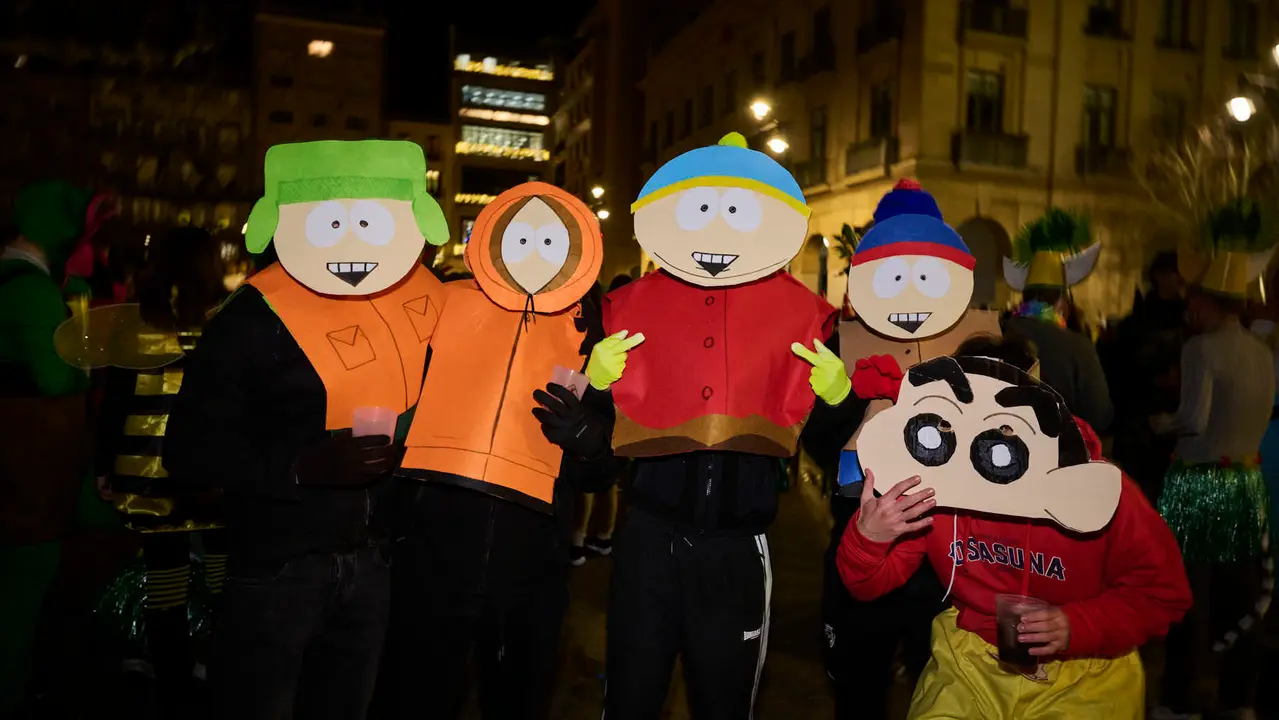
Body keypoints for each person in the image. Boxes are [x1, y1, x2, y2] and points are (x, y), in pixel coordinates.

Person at [164, 139, 450, 720]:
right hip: (278, 566)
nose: (352, 244)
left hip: (376, 562)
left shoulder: (415, 302)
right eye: (331, 222)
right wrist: (301, 465)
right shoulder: (253, 319)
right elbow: (189, 451)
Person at [590, 132, 866, 718]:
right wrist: (594, 387)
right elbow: (592, 451)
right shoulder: (634, 307)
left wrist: (840, 400)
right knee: (631, 698)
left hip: (738, 550)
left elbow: (826, 445)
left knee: (725, 702)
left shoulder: (798, 317)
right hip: (649, 542)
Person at [838, 344, 1191, 719]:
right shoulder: (937, 488)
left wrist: (1078, 624)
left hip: (1086, 669)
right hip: (971, 657)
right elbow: (866, 585)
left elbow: (1163, 595)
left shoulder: (1098, 494)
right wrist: (870, 538)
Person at [382, 182, 615, 718]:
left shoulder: (591, 328)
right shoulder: (443, 302)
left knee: (516, 701)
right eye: (521, 238)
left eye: (551, 242)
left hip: (532, 569)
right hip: (429, 557)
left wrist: (586, 438)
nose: (534, 254)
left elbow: (603, 470)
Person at [817, 179, 1001, 719]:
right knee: (859, 685)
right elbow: (818, 446)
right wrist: (843, 402)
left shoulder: (980, 345)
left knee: (941, 683)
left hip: (946, 553)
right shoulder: (840, 344)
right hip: (862, 536)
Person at [82, 226, 231, 714]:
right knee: (225, 578)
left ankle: (174, 685)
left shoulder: (138, 320)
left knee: (164, 584)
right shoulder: (228, 319)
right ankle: (224, 671)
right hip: (214, 471)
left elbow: (116, 401)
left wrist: (104, 465)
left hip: (147, 467)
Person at [1152, 201, 1276, 719]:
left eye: (1193, 295)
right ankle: (1237, 698)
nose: (1188, 304)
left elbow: (1195, 418)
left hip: (1199, 482)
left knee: (1187, 596)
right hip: (1247, 480)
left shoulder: (1201, 349)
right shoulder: (1263, 352)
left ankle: (1180, 698)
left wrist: (1163, 423)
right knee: (1242, 594)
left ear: (1206, 298)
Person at [0, 181, 97, 717]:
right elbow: (59, 379)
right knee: (19, 602)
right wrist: (82, 345)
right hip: (27, 489)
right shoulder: (33, 292)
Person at [1001, 208, 1113, 433]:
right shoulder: (1078, 347)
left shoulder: (997, 333)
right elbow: (1100, 416)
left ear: (1025, 296)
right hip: (1060, 455)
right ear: (1061, 301)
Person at [1104, 252, 1186, 498]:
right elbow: (1122, 365)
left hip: (1173, 418)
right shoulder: (1140, 318)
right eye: (1174, 272)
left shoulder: (1186, 316)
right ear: (1159, 276)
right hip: (1140, 417)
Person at [570, 273, 634, 564]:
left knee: (587, 478)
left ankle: (579, 539)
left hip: (594, 403)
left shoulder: (591, 315)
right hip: (614, 408)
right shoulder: (625, 320)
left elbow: (578, 362)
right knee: (609, 479)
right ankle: (604, 536)